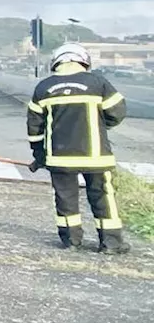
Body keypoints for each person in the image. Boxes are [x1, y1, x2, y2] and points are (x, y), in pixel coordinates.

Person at [26, 44, 128, 253]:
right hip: (96, 155)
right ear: (84, 61)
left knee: (65, 198)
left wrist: (39, 153)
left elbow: (34, 126)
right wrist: (101, 124)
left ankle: (71, 241)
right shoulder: (97, 83)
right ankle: (111, 244)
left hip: (59, 158)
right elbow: (117, 112)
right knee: (102, 196)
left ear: (56, 62)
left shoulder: (44, 87)